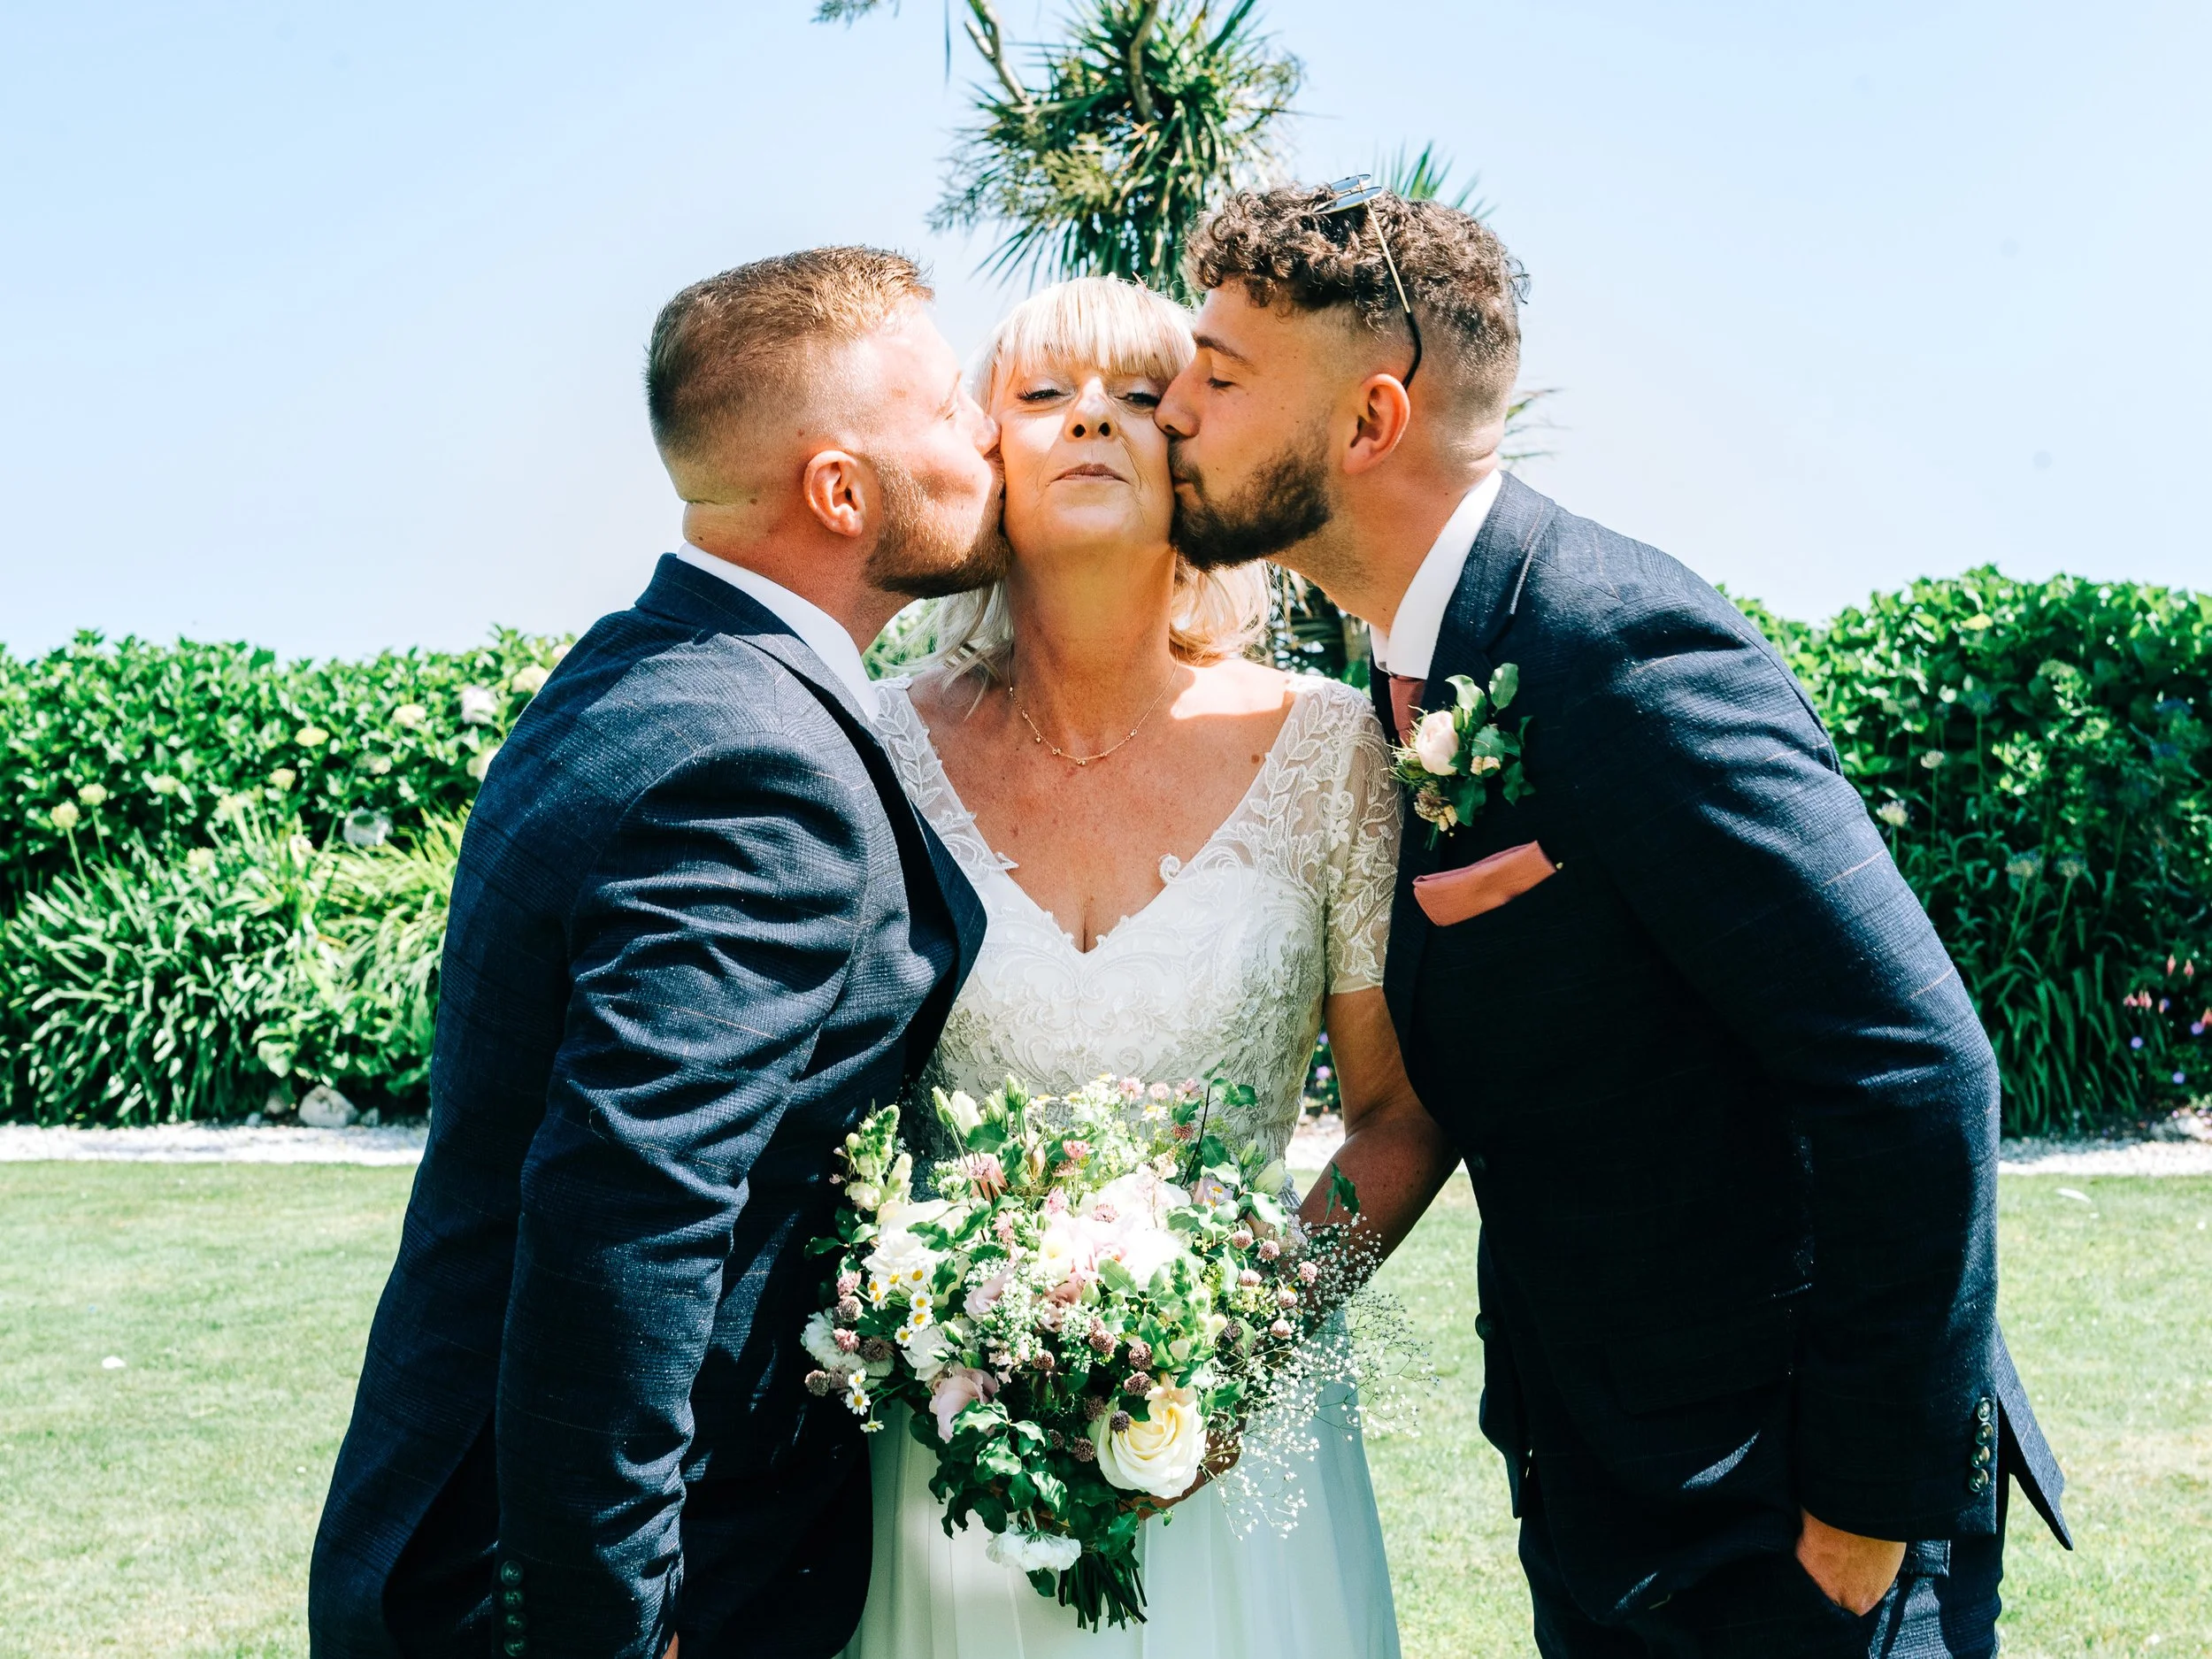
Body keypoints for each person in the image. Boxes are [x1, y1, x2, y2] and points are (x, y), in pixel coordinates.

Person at [1154, 185, 2073, 1659]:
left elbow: (1914, 1063)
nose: (1170, 407)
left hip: (1783, 1534)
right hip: (1610, 1507)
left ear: (1370, 420)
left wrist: (1858, 1517)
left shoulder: (1617, 648)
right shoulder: (1425, 673)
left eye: (1219, 373)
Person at [309, 247, 1002, 1659]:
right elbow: (629, 1219)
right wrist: (606, 1624)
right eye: (947, 409)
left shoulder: (631, 671)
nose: (988, 432)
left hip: (446, 1520)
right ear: (839, 491)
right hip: (590, 1588)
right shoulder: (757, 761)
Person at [847, 275, 1439, 1658]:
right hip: (951, 1452)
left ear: (1197, 463)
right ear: (982, 453)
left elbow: (1400, 1114)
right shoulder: (874, 748)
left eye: (1139, 397)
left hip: (1239, 1451)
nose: (1094, 421)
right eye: (1044, 395)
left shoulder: (1330, 745)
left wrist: (1241, 1342)